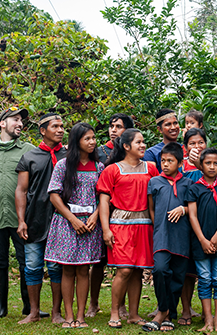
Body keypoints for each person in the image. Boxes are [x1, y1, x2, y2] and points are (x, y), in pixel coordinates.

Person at [0, 107, 39, 319]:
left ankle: (29, 306)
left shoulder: (29, 150)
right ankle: (1, 307)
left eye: (21, 120)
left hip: (22, 219)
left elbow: (50, 161)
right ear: (2, 123)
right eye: (15, 119)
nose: (20, 124)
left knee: (25, 262)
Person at [97, 128, 159, 329]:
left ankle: (133, 314)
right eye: (138, 142)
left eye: (144, 142)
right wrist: (106, 229)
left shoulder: (151, 168)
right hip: (121, 224)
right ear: (126, 146)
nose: (143, 146)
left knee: (137, 271)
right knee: (123, 269)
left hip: (144, 223)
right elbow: (104, 202)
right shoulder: (112, 170)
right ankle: (115, 312)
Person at [45, 123, 105, 329]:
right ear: (76, 141)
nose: (92, 142)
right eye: (87, 138)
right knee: (68, 270)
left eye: (93, 138)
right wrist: (72, 219)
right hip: (67, 223)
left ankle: (81, 315)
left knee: (83, 269)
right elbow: (54, 195)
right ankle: (68, 315)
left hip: (90, 224)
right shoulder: (63, 165)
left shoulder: (99, 167)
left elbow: (104, 197)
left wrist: (96, 216)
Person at [15, 113, 67, 324]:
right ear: (43, 131)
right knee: (33, 266)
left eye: (62, 126)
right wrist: (21, 220)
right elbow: (21, 190)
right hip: (35, 219)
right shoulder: (30, 157)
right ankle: (34, 312)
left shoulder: (69, 156)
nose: (60, 130)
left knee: (56, 267)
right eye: (55, 126)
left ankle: (56, 312)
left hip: (62, 220)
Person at [145, 142, 194, 332]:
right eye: (163, 161)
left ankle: (169, 315)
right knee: (160, 270)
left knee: (178, 276)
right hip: (162, 235)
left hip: (181, 236)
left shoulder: (188, 183)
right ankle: (162, 311)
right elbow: (151, 208)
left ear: (180, 163)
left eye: (170, 161)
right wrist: (157, 227)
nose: (165, 164)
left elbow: (195, 209)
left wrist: (184, 209)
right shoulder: (154, 182)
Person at [90, 112, 134, 318]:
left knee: (124, 264)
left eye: (119, 126)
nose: (113, 130)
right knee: (98, 261)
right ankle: (93, 303)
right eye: (111, 126)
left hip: (124, 215)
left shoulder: (131, 154)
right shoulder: (98, 152)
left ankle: (122, 306)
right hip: (98, 211)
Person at [187, 148, 217, 332]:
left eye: (216, 163)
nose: (212, 167)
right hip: (200, 242)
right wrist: (203, 240)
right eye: (208, 163)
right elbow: (192, 216)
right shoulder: (194, 187)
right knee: (205, 279)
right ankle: (207, 319)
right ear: (201, 165)